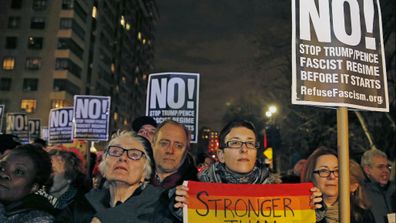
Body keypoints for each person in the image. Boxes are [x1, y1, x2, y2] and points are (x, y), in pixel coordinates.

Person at [174, 120, 323, 221]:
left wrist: (314, 209)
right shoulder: (194, 193)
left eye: (250, 143)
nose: (244, 149)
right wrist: (178, 208)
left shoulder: (281, 195)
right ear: (221, 155)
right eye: (235, 143)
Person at [55, 131, 174, 223]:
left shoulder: (162, 207)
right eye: (115, 152)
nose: (122, 158)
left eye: (134, 155)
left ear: (145, 173)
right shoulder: (81, 205)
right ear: (103, 167)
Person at [0, 144, 55, 222]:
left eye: (18, 172)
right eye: (2, 167)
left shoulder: (39, 219)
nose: (3, 174)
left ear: (34, 187)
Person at [151, 120, 197, 189]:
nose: (170, 151)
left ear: (186, 150)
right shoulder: (133, 181)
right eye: (164, 143)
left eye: (178, 146)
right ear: (153, 144)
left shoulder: (197, 191)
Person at [360, 149, 395, 223]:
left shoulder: (393, 190)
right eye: (380, 167)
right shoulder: (361, 193)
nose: (386, 171)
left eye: (388, 167)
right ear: (367, 170)